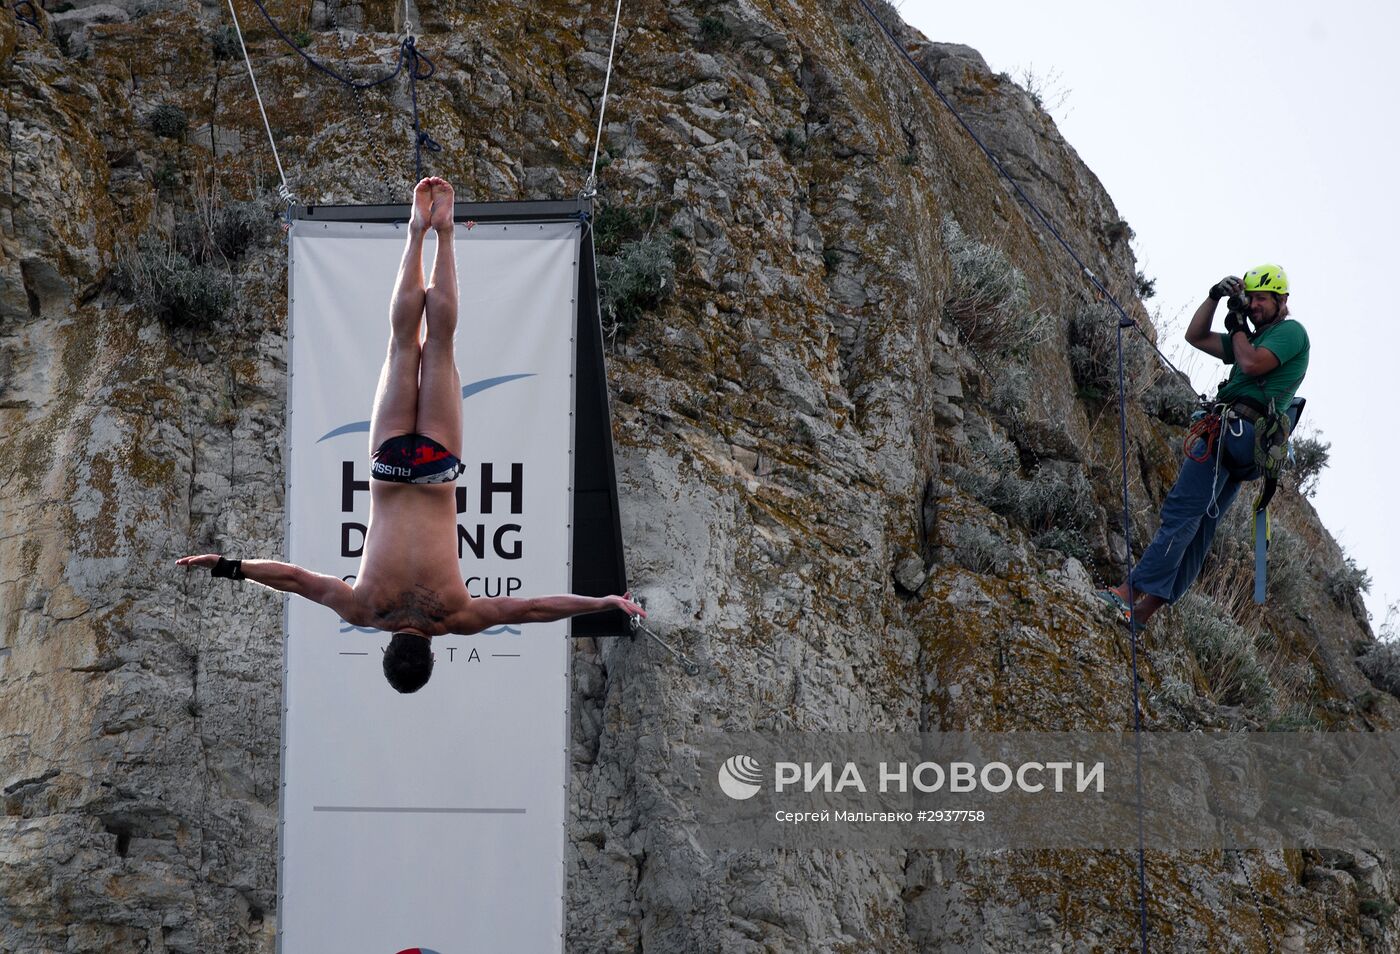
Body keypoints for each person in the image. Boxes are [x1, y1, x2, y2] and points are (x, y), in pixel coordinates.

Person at [179, 177, 644, 692]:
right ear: (386, 649)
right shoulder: (364, 608)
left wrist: (605, 600)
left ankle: (444, 231)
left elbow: (534, 608)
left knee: (439, 344)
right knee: (404, 344)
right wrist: (227, 565)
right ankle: (415, 231)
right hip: (390, 464)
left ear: (430, 655)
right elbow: (294, 579)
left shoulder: (454, 617)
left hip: (437, 467)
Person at [1100, 264, 1309, 627]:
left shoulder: (1290, 333)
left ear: (1282, 300)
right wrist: (1215, 297)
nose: (1255, 305)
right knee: (1200, 528)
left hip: (1236, 434)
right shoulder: (1254, 337)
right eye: (1251, 298)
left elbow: (1251, 363)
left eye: (1262, 299)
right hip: (1244, 445)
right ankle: (1143, 614)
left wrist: (1240, 325)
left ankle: (1126, 595)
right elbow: (1195, 336)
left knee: (1182, 513)